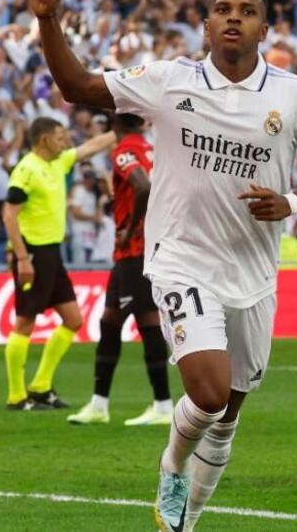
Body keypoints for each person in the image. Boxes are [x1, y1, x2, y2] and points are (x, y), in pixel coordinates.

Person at [30, 0, 297, 532]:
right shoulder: (169, 81)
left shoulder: (295, 94)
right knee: (207, 392)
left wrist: (294, 201)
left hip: (253, 269)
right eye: (222, 9)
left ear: (263, 28)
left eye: (247, 11)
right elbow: (75, 87)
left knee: (227, 416)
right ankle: (171, 463)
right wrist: (49, 20)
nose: (233, 18)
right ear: (205, 24)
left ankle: (185, 522)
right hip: (181, 259)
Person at [1, 115, 115, 411]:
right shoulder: (26, 170)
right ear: (44, 139)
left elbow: (91, 147)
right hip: (34, 254)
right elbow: (9, 215)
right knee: (25, 321)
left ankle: (40, 387)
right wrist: (22, 257)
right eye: (60, 136)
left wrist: (125, 131)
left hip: (53, 254)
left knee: (74, 320)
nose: (65, 140)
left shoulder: (58, 162)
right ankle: (16, 396)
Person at [67, 113, 174, 427]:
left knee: (148, 320)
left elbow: (142, 187)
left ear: (114, 124)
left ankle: (164, 405)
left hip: (135, 251)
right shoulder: (150, 146)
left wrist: (129, 228)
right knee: (110, 321)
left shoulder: (124, 150)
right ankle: (99, 405)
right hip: (135, 251)